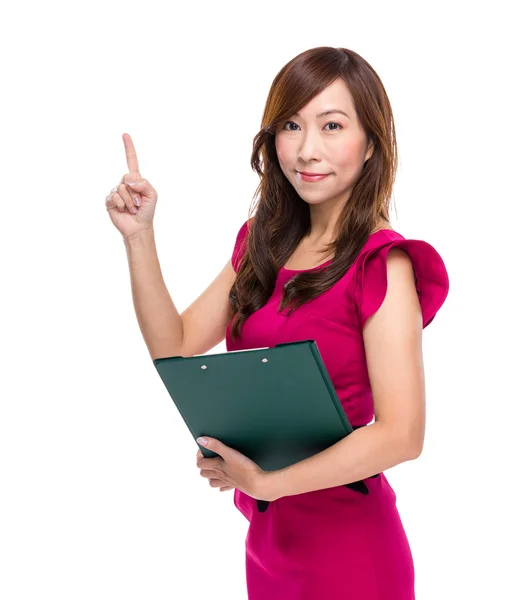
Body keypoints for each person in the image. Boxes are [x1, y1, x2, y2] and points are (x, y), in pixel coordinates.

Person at [106, 46, 449, 600]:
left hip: (350, 550)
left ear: (371, 146)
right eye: (291, 125)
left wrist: (267, 481)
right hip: (269, 541)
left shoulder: (383, 263)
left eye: (332, 125)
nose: (308, 149)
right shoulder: (261, 244)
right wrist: (140, 237)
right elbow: (176, 346)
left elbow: (403, 435)